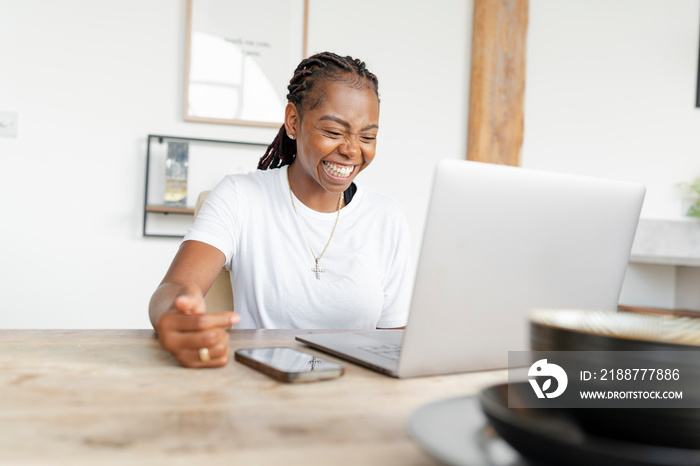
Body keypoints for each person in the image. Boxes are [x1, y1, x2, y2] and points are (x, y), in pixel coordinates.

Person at [149, 52, 412, 368]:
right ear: (293, 121)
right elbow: (174, 287)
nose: (352, 150)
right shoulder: (241, 196)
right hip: (260, 391)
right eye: (333, 132)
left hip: (354, 396)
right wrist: (175, 313)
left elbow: (393, 344)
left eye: (367, 136)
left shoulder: (386, 217)